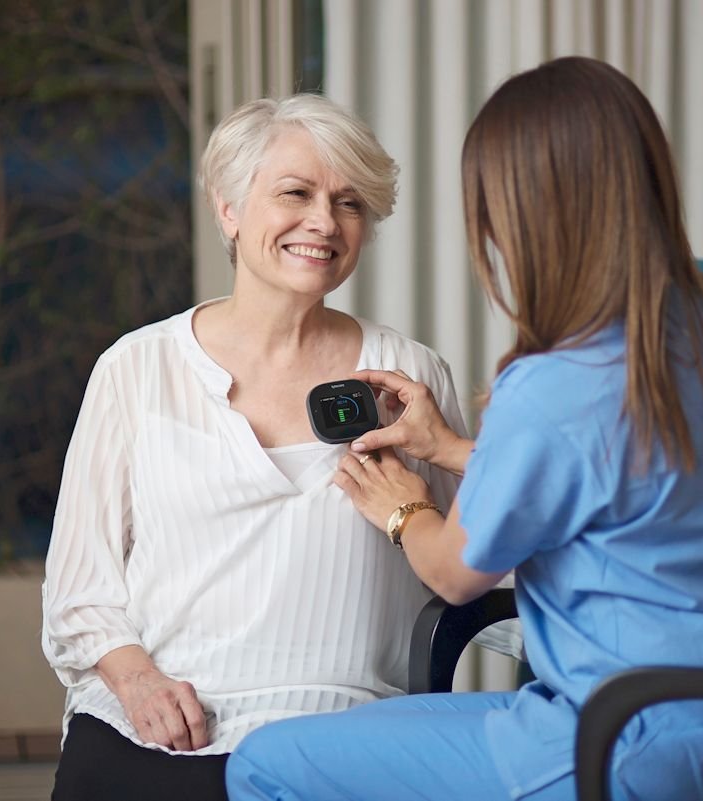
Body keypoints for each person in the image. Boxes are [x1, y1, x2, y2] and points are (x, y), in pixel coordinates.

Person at [226, 56, 703, 801]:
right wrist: (448, 447)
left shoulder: (551, 380)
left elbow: (454, 570)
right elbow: (629, 484)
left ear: (523, 212)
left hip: (623, 748)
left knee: (263, 764)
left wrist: (402, 507)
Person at [40, 94, 472, 801]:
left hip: (341, 729)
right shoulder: (136, 368)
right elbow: (77, 593)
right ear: (229, 210)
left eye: (350, 203)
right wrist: (138, 679)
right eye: (296, 193)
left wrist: (438, 466)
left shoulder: (409, 378)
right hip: (158, 717)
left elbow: (471, 559)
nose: (325, 223)